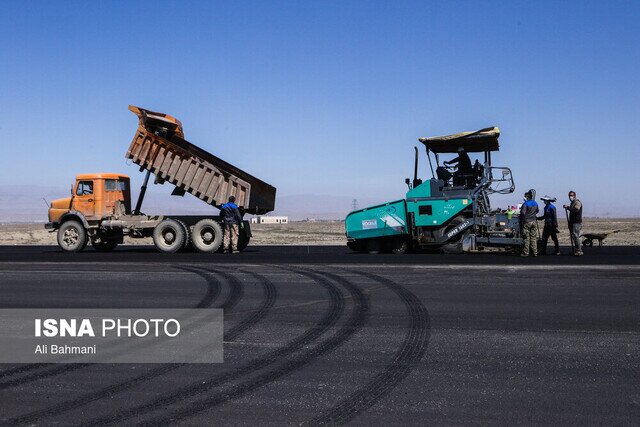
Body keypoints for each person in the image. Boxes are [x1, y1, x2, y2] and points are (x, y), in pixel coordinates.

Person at [519, 189, 539, 257]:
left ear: (527, 196)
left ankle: (526, 252)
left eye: (525, 196)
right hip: (534, 221)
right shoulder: (535, 203)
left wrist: (523, 220)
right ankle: (535, 252)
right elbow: (537, 211)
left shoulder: (525, 204)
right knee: (533, 237)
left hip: (527, 222)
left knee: (526, 238)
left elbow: (523, 213)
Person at [563, 190, 583, 256]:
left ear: (574, 196)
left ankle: (579, 251)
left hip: (576, 222)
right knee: (574, 237)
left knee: (576, 236)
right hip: (572, 222)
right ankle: (576, 250)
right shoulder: (572, 203)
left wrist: (568, 207)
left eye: (571, 195)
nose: (570, 197)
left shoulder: (577, 202)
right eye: (569, 196)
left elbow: (576, 210)